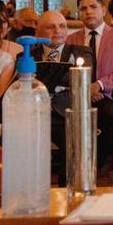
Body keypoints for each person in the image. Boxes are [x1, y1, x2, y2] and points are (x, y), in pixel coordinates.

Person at [66, 0, 113, 168]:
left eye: (93, 7)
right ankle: (75, 161)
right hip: (79, 95)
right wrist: (86, 89)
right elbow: (67, 71)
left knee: (108, 113)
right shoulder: (71, 39)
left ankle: (100, 160)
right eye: (83, 8)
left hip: (110, 95)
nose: (88, 12)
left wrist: (99, 85)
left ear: (103, 10)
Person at [32, 10, 95, 184]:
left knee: (73, 142)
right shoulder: (26, 55)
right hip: (35, 114)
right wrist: (64, 77)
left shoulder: (82, 51)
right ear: (38, 31)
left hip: (66, 113)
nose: (57, 31)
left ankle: (67, 193)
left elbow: (82, 78)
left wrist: (44, 76)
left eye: (62, 26)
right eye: (50, 27)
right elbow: (26, 83)